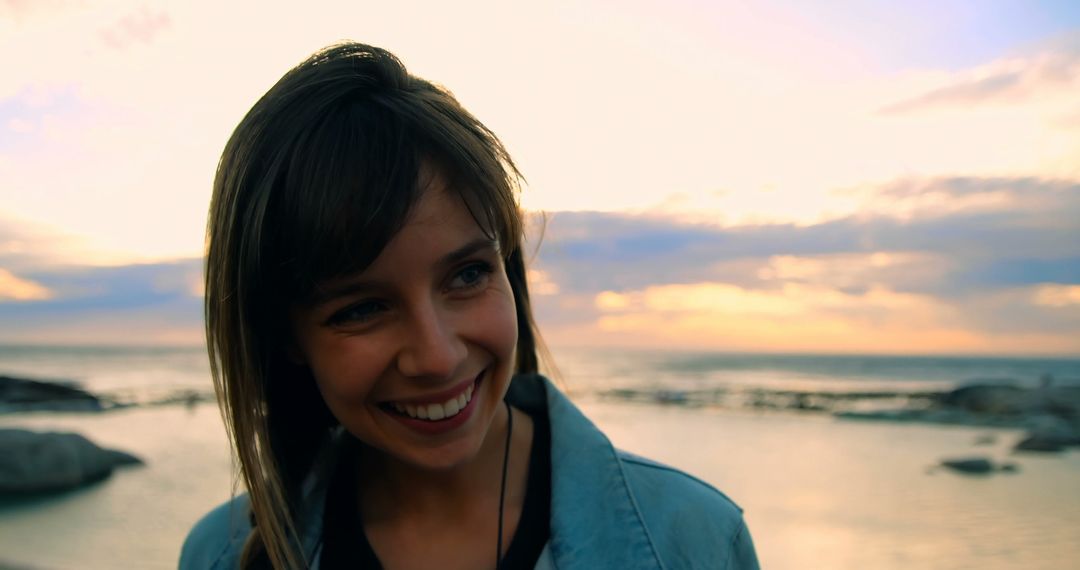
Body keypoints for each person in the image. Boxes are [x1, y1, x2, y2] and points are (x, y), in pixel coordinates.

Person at [180, 42, 759, 570]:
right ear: (286, 337)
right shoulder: (221, 558)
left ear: (507, 267)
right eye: (360, 309)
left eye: (468, 274)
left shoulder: (692, 540)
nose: (435, 356)